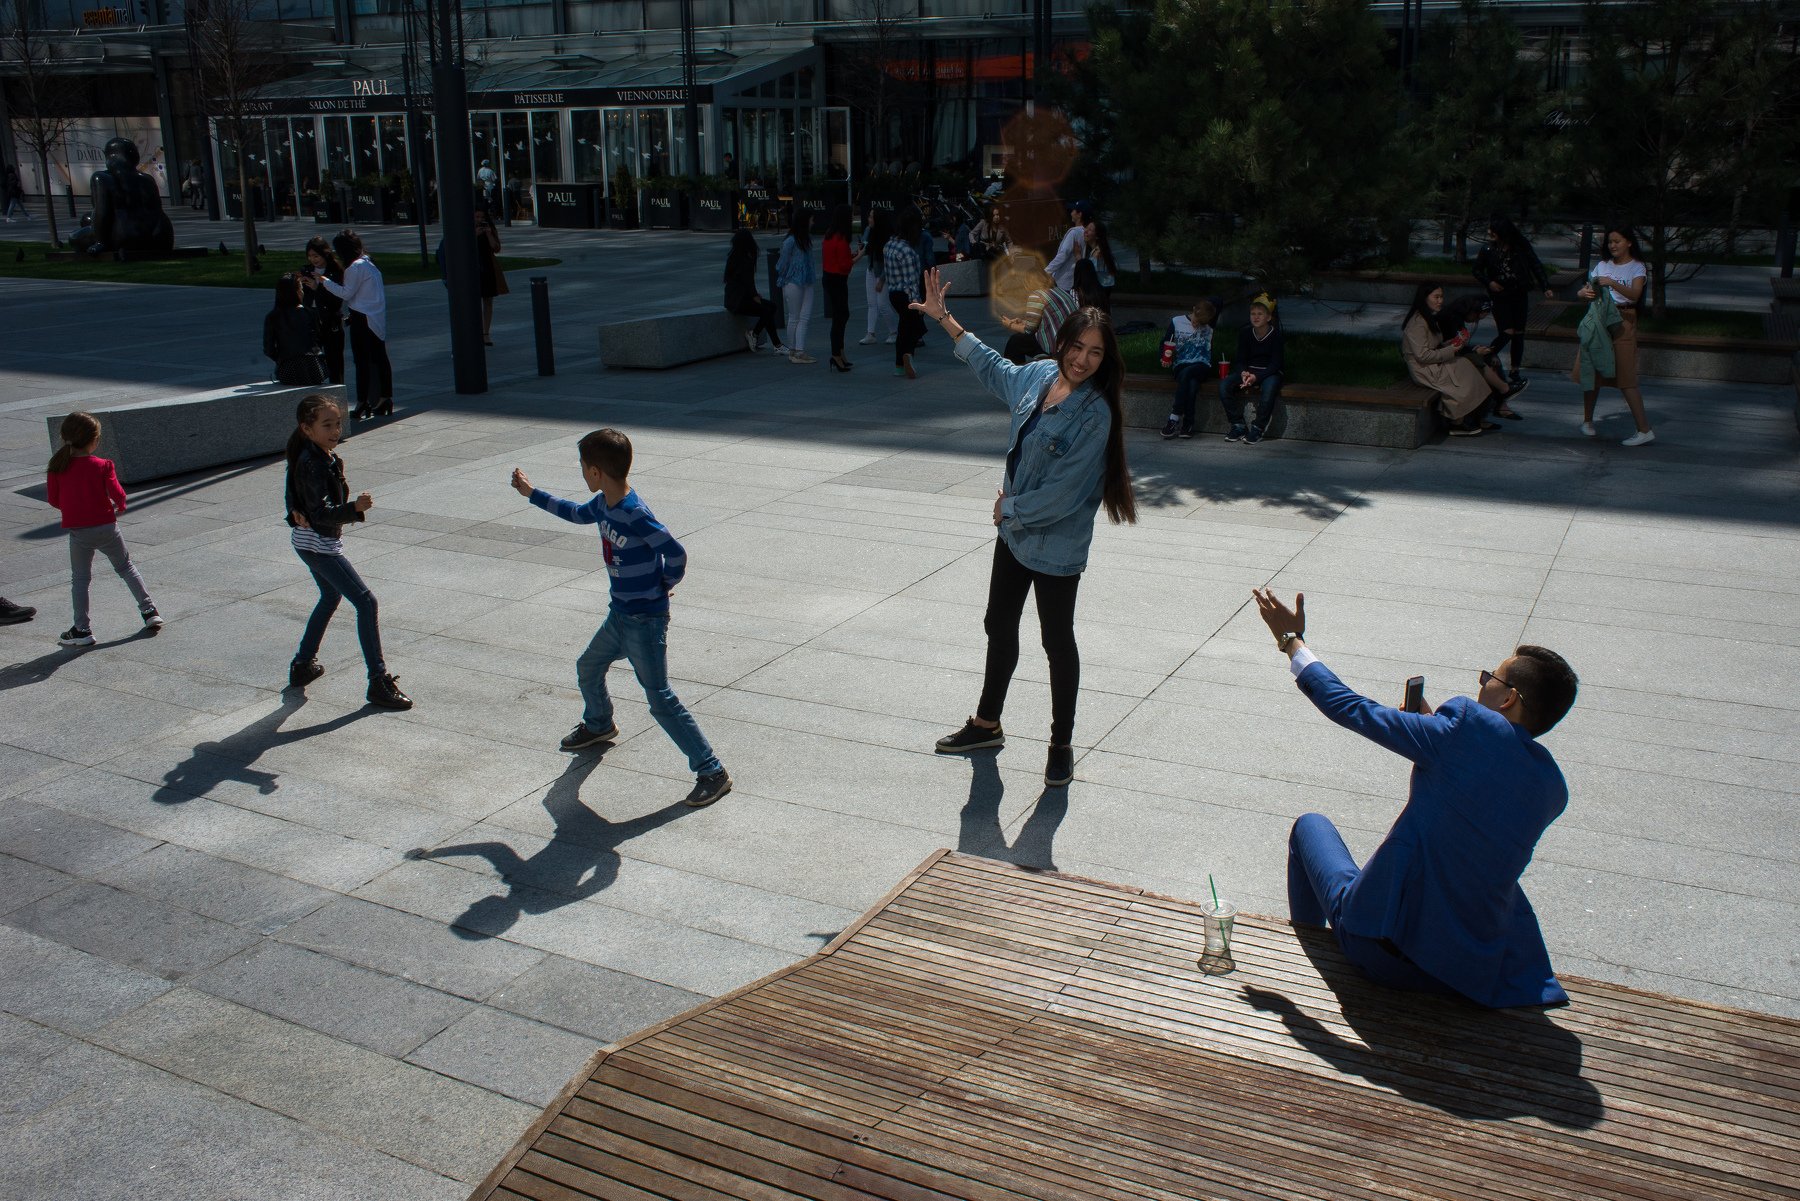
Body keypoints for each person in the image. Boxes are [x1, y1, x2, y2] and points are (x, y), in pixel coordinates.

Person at [1251, 586, 1579, 1010]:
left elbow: (1348, 706)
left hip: (1383, 956)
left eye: (1489, 679)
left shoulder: (1462, 729)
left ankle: (1313, 951)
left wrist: (1290, 640)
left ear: (1509, 697)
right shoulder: (1551, 787)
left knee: (1310, 827)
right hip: (1466, 971)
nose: (1481, 685)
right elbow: (1480, 783)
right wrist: (1429, 725)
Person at [914, 268, 1138, 788]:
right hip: (1014, 539)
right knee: (998, 625)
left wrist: (1008, 510)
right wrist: (945, 319)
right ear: (1062, 343)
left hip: (1055, 546)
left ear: (1105, 359)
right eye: (1077, 347)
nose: (1082, 359)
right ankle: (986, 724)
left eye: (1095, 353)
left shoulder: (1095, 415)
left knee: (1057, 642)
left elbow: (1064, 494)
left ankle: (1061, 744)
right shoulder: (1038, 376)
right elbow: (995, 368)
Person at [508, 429, 732, 809]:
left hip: (645, 622)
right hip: (620, 616)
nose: (582, 473)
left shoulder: (634, 512)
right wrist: (531, 493)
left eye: (582, 467)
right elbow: (574, 513)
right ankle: (599, 724)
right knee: (588, 666)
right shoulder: (602, 505)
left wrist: (663, 584)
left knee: (660, 698)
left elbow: (676, 553)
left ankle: (712, 771)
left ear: (595, 472)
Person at [284, 394, 412, 710]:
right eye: (327, 425)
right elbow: (320, 513)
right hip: (319, 545)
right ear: (307, 429)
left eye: (338, 424)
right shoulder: (312, 462)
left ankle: (303, 664)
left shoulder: (315, 456)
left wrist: (294, 511)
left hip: (308, 542)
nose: (335, 431)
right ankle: (378, 681)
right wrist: (354, 508)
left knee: (330, 596)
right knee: (366, 602)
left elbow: (294, 494)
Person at [45, 412, 162, 647]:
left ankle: (82, 629)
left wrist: (74, 509)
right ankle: (149, 610)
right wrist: (120, 506)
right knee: (126, 568)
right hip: (107, 527)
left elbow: (54, 500)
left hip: (79, 532)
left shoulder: (57, 467)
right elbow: (118, 494)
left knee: (80, 579)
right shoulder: (103, 465)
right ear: (94, 440)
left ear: (65, 437)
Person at [1402, 283, 1519, 437]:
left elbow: (1432, 347)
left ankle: (1465, 418)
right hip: (1424, 370)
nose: (1440, 301)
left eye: (1441, 297)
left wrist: (1449, 344)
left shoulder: (1427, 318)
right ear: (1424, 299)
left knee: (1469, 366)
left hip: (1432, 364)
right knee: (1469, 368)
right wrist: (1452, 349)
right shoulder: (1418, 323)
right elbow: (1423, 356)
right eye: (1436, 297)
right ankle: (1458, 420)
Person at [1574, 226, 1656, 447]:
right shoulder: (1602, 265)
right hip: (1599, 320)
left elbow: (1635, 295)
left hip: (1623, 320)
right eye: (1610, 242)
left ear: (1629, 242)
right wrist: (1583, 293)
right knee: (1592, 370)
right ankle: (1587, 420)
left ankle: (1644, 429)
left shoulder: (1637, 267)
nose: (1612, 245)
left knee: (1626, 376)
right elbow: (1586, 290)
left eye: (1617, 241)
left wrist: (1612, 283)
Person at [304, 230, 391, 421]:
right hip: (375, 316)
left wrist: (324, 282)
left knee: (362, 361)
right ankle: (385, 397)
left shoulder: (354, 268)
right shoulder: (369, 262)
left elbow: (346, 293)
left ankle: (362, 402)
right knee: (379, 358)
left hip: (362, 318)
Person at [1472, 218, 1553, 390]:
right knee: (1507, 331)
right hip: (1500, 295)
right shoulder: (1488, 249)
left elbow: (1535, 264)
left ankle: (1515, 370)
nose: (1490, 234)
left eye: (1493, 231)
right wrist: (1489, 282)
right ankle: (1486, 354)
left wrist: (1545, 286)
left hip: (1519, 293)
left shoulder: (1520, 246)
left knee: (1518, 333)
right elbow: (1476, 270)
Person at [1217, 293, 1285, 444]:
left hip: (1269, 372)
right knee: (1224, 385)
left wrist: (1257, 378)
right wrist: (1243, 373)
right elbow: (1240, 360)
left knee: (1269, 390)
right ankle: (1238, 425)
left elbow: (1276, 364)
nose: (1256, 317)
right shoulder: (1245, 333)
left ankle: (1258, 428)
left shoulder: (1276, 335)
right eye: (1253, 314)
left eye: (1260, 314)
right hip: (1249, 371)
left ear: (1268, 317)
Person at [1160, 298, 1219, 439]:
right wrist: (1164, 357)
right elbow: (1165, 342)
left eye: (1201, 323)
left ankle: (1174, 417)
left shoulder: (1209, 326)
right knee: (1191, 384)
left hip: (1202, 365)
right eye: (1196, 320)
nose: (1196, 324)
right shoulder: (1177, 321)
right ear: (1193, 309)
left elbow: (1219, 300)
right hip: (1181, 364)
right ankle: (1188, 424)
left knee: (1188, 373)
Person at [723, 228, 784, 354]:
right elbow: (748, 281)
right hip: (739, 302)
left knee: (771, 307)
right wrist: (754, 295)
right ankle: (760, 337)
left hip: (734, 299)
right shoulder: (746, 259)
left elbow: (741, 282)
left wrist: (753, 295)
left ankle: (775, 343)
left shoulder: (733, 257)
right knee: (768, 310)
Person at [1000, 273, 1079, 366]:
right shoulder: (1061, 292)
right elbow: (1051, 320)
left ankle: (1012, 372)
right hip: (1073, 341)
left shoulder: (1037, 296)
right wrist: (1023, 322)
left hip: (1057, 346)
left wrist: (1010, 325)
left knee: (1015, 341)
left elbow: (1028, 330)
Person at [884, 206, 927, 378]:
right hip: (906, 295)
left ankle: (899, 365)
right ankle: (907, 355)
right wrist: (917, 302)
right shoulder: (908, 252)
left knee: (904, 326)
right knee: (912, 328)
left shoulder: (889, 245)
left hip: (893, 293)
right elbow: (911, 281)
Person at [263, 273, 325, 386]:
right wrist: (315, 356)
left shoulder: (273, 316)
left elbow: (269, 349)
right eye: (301, 289)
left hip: (288, 369)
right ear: (296, 292)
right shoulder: (310, 313)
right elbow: (318, 341)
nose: (302, 292)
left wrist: (281, 358)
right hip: (313, 370)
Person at [821, 203, 861, 373]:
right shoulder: (841, 238)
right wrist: (860, 255)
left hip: (829, 278)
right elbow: (845, 265)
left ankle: (840, 353)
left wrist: (851, 255)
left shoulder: (830, 235)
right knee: (840, 317)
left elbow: (837, 258)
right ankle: (836, 354)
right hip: (838, 280)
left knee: (841, 315)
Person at [776, 208, 818, 365]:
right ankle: (795, 351)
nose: (813, 223)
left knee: (802, 317)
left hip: (805, 281)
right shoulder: (791, 241)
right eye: (811, 219)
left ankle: (798, 351)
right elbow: (782, 264)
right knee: (795, 317)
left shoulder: (804, 240)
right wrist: (785, 278)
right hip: (794, 282)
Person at [301, 237, 347, 385]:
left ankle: (336, 389)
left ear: (325, 254)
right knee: (312, 360)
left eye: (316, 256)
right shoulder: (306, 270)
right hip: (312, 319)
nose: (313, 259)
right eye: (310, 256)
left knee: (335, 361)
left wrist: (318, 288)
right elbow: (303, 297)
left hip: (330, 321)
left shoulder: (336, 271)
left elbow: (336, 300)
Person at [859, 208, 896, 346]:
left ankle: (894, 332)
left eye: (871, 217)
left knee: (882, 304)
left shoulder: (888, 237)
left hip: (882, 272)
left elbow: (889, 261)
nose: (868, 219)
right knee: (872, 303)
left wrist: (881, 279)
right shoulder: (870, 231)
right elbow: (865, 246)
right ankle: (871, 333)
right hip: (871, 268)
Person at [475, 203, 508, 346]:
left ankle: (485, 333)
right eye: (476, 217)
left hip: (487, 266)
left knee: (488, 301)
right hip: (473, 267)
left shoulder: (489, 229)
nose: (479, 220)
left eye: (482, 217)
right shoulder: (466, 229)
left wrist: (488, 234)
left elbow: (496, 248)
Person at [1044, 200, 1091, 291]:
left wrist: (1047, 271)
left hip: (1063, 282)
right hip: (1075, 279)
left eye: (1073, 210)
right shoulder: (1085, 232)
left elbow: (1063, 254)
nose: (1071, 213)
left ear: (1079, 214)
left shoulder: (1074, 233)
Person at [1083, 216, 1118, 307]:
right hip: (1102, 294)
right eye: (1086, 228)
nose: (1085, 231)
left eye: (1090, 230)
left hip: (1099, 295)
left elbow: (1088, 273)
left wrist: (1078, 256)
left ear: (1097, 236)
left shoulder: (1098, 253)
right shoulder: (1099, 250)